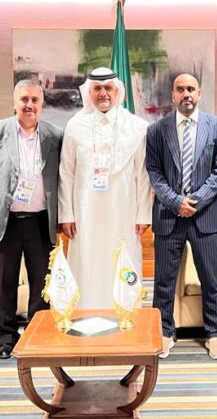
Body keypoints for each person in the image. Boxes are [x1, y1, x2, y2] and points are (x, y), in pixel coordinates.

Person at [0, 80, 63, 359]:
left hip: (41, 222)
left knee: (41, 283)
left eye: (35, 100)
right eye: (24, 99)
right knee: (5, 282)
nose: (29, 105)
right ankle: (6, 337)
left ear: (42, 104)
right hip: (6, 221)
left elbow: (63, 180)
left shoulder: (55, 135)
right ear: (14, 102)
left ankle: (37, 333)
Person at [146, 74, 217, 360]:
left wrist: (196, 200)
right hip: (169, 216)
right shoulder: (157, 130)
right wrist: (175, 202)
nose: (186, 94)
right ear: (173, 95)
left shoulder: (216, 127)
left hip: (205, 216)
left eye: (191, 89)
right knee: (164, 280)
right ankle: (165, 331)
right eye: (180, 89)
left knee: (210, 278)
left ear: (199, 93)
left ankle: (214, 334)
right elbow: (154, 172)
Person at [58, 67, 152, 308]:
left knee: (122, 258)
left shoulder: (136, 127)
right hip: (85, 212)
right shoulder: (75, 125)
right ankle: (85, 313)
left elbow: (143, 175)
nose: (103, 93)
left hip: (124, 210)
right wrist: (66, 214)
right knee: (87, 260)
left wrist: (143, 215)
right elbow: (66, 173)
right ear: (89, 92)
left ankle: (124, 312)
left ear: (117, 91)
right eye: (97, 88)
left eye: (108, 88)